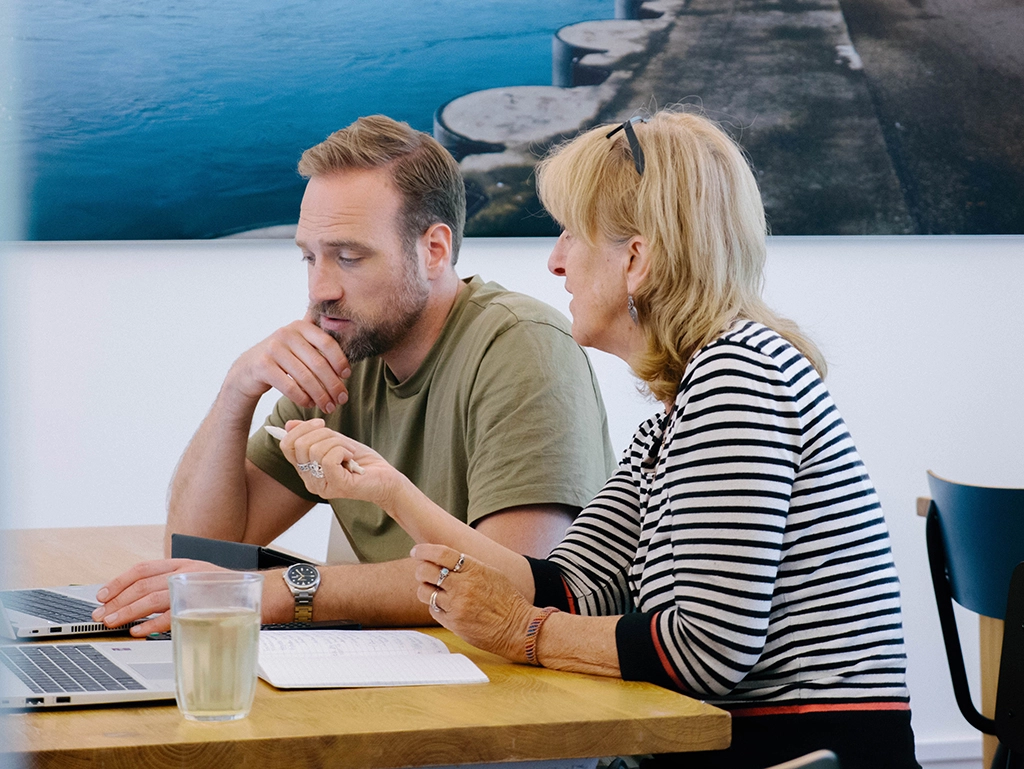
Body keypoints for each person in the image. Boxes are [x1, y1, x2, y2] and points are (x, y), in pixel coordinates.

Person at [269, 111, 920, 769]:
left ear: (635, 260)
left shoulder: (737, 377)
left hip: (794, 753)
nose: (555, 261)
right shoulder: (681, 405)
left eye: (571, 234)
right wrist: (390, 491)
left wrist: (523, 633)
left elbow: (706, 651)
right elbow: (567, 586)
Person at [92, 115, 616, 635]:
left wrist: (284, 592)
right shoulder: (345, 351)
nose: (320, 289)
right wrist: (237, 390)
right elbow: (201, 559)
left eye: (348, 257)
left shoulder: (522, 344)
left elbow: (511, 584)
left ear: (433, 250)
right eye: (310, 257)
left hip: (518, 678)